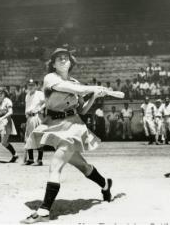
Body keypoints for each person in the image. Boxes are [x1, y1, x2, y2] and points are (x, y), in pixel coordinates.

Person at [21, 48, 113, 224]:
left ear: (71, 63)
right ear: (53, 64)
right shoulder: (51, 78)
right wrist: (92, 88)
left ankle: (44, 211)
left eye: (66, 58)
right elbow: (68, 88)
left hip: (73, 126)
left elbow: (82, 110)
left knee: (55, 167)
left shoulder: (76, 82)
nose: (63, 60)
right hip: (55, 125)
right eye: (59, 59)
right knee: (83, 167)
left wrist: (93, 96)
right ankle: (105, 184)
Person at [23, 79, 46, 166]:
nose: (31, 87)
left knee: (38, 137)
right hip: (29, 117)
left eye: (32, 85)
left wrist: (40, 109)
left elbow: (46, 102)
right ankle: (31, 159)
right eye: (29, 85)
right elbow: (27, 107)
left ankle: (40, 159)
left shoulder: (39, 94)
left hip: (37, 117)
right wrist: (26, 115)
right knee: (28, 138)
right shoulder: (27, 95)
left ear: (36, 86)